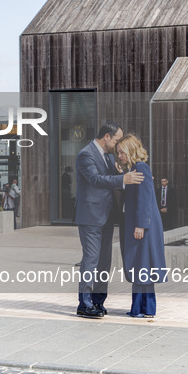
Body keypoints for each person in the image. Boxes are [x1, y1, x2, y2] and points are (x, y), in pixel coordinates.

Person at [74, 123, 144, 318]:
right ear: (106, 136)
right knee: (91, 260)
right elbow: (96, 180)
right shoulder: (85, 154)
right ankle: (84, 303)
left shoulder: (108, 157)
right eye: (116, 140)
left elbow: (113, 179)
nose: (117, 144)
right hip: (90, 217)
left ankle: (98, 301)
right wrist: (124, 179)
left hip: (106, 216)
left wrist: (138, 179)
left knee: (104, 263)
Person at [116, 134, 166, 318]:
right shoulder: (135, 169)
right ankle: (142, 308)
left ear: (130, 150)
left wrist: (141, 226)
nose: (119, 155)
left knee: (142, 266)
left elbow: (145, 200)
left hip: (142, 227)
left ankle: (144, 309)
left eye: (121, 151)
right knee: (141, 266)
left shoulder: (141, 168)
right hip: (139, 225)